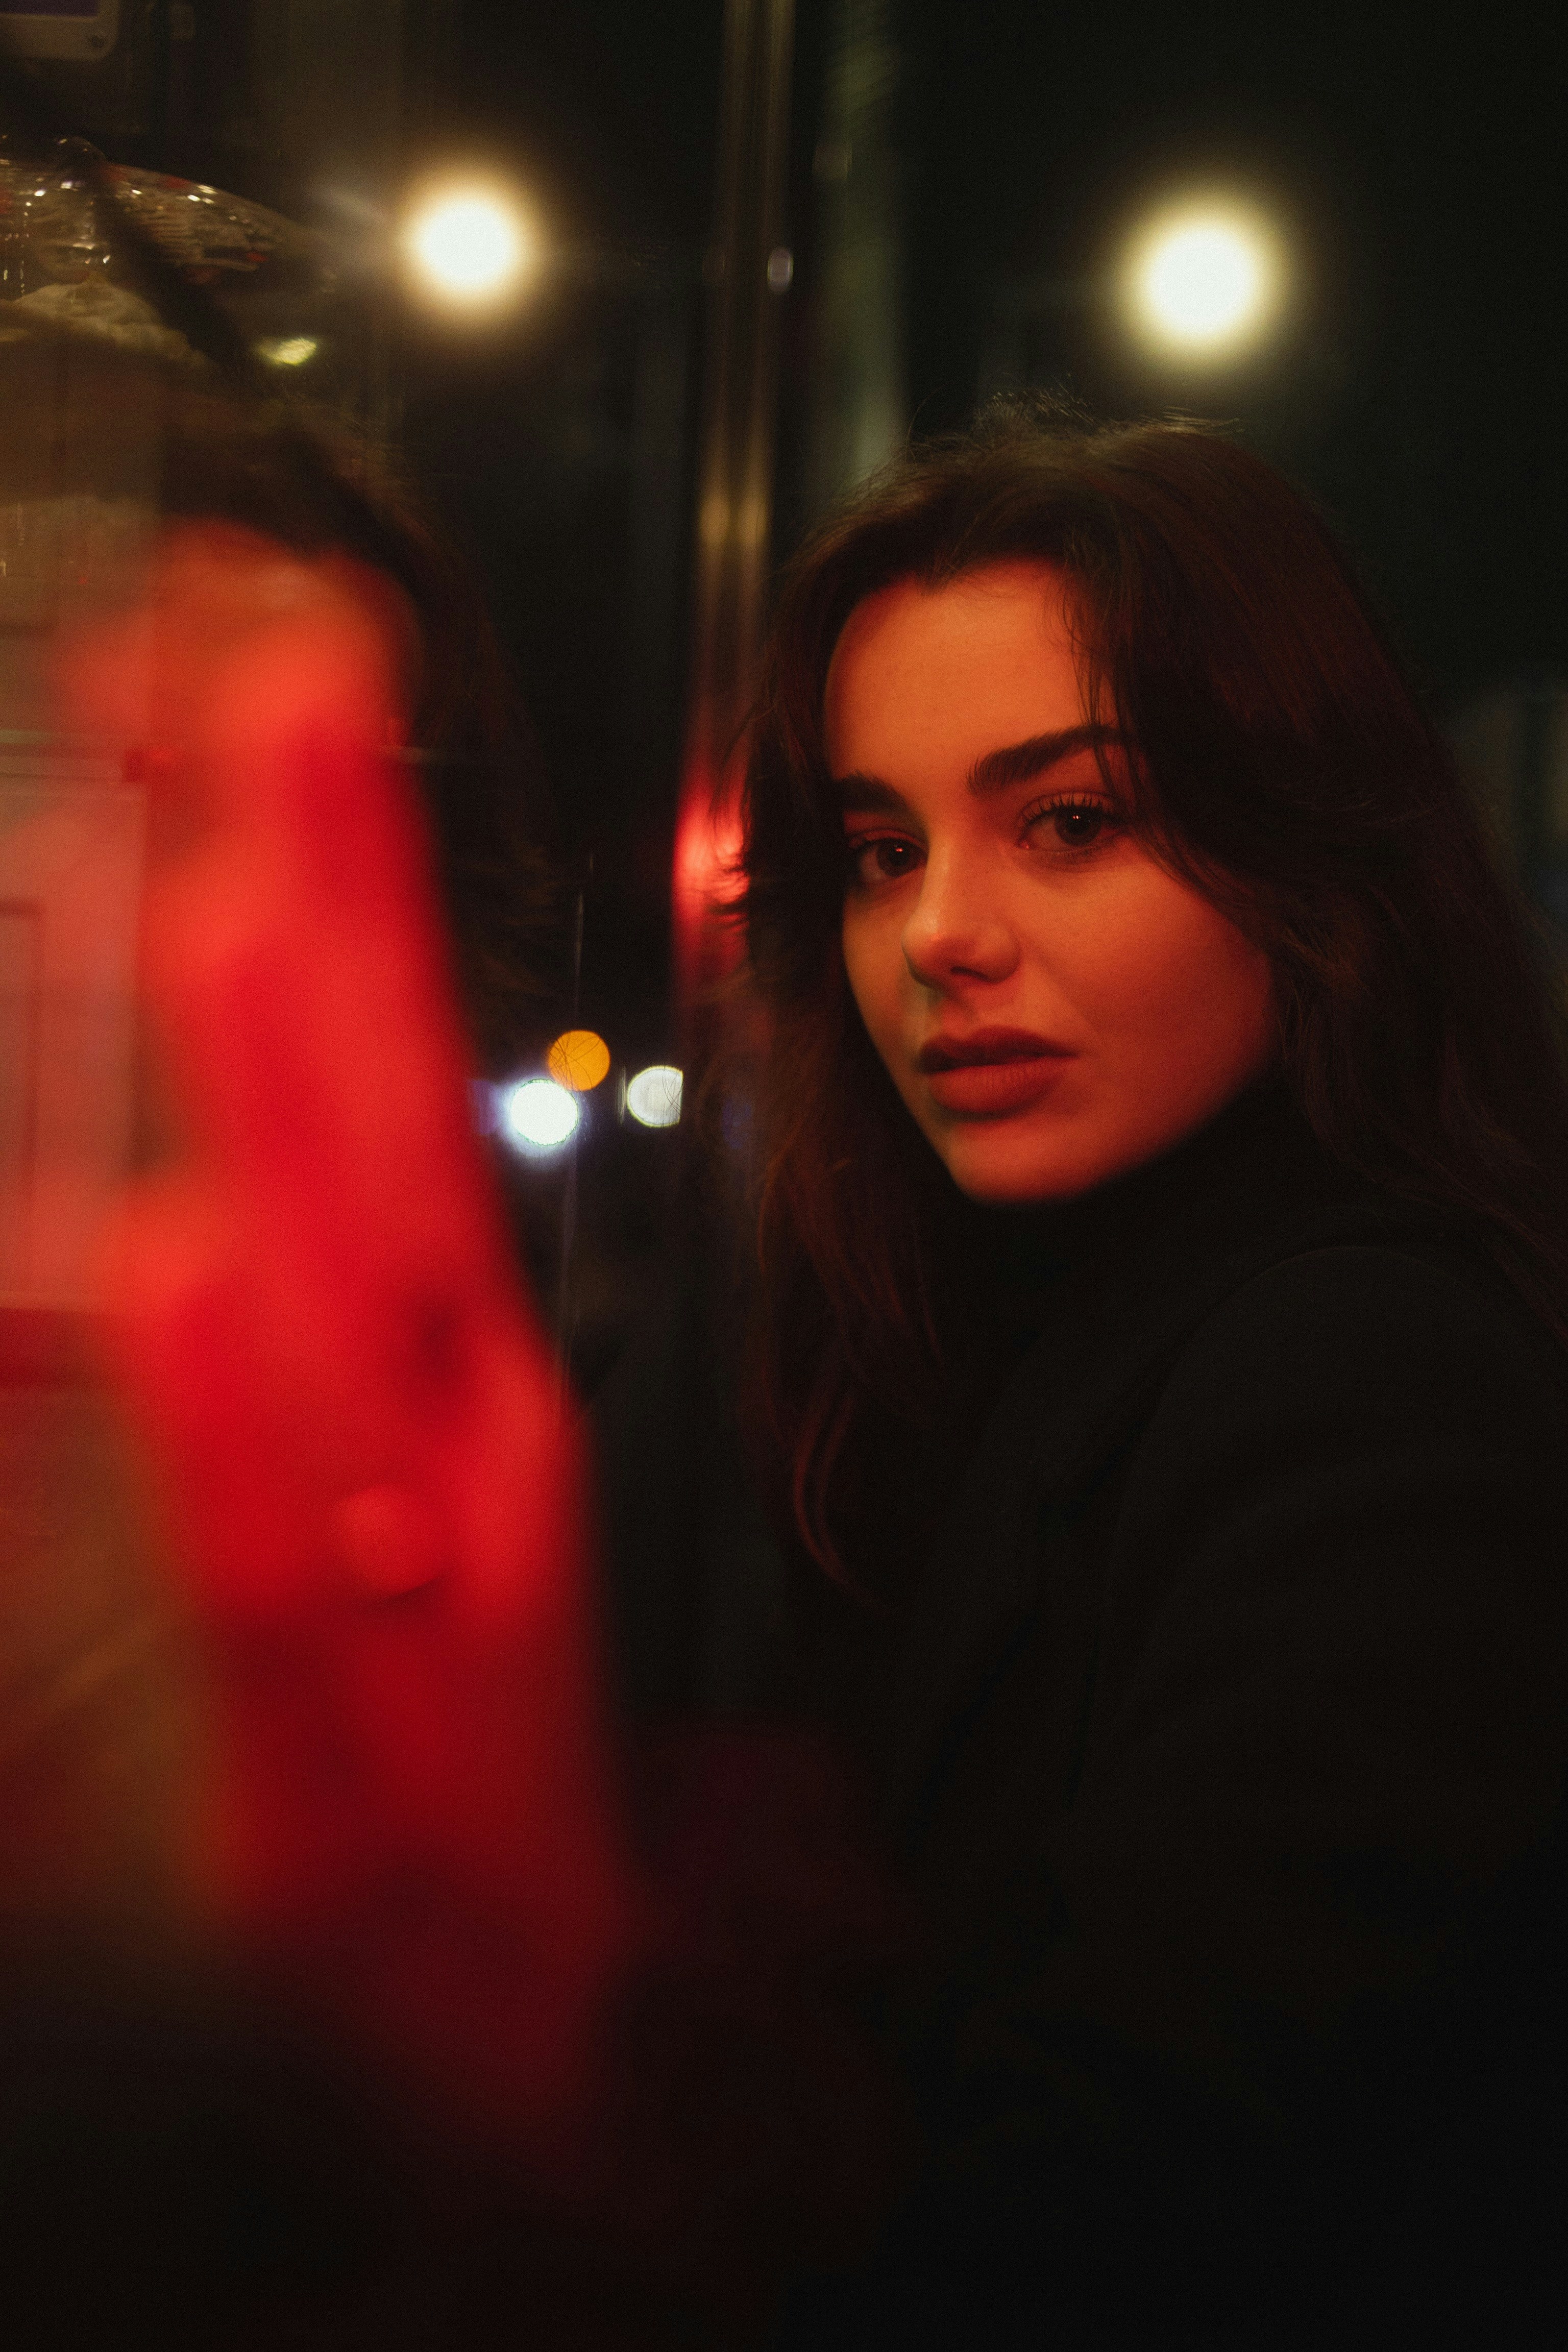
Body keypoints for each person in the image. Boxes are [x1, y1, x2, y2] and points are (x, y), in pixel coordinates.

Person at [65, 400, 1568, 2350]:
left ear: (1310, 859)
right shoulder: (948, 1321)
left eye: (1072, 822)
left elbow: (1109, 2231)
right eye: (878, 849)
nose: (939, 934)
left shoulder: (1368, 1369)